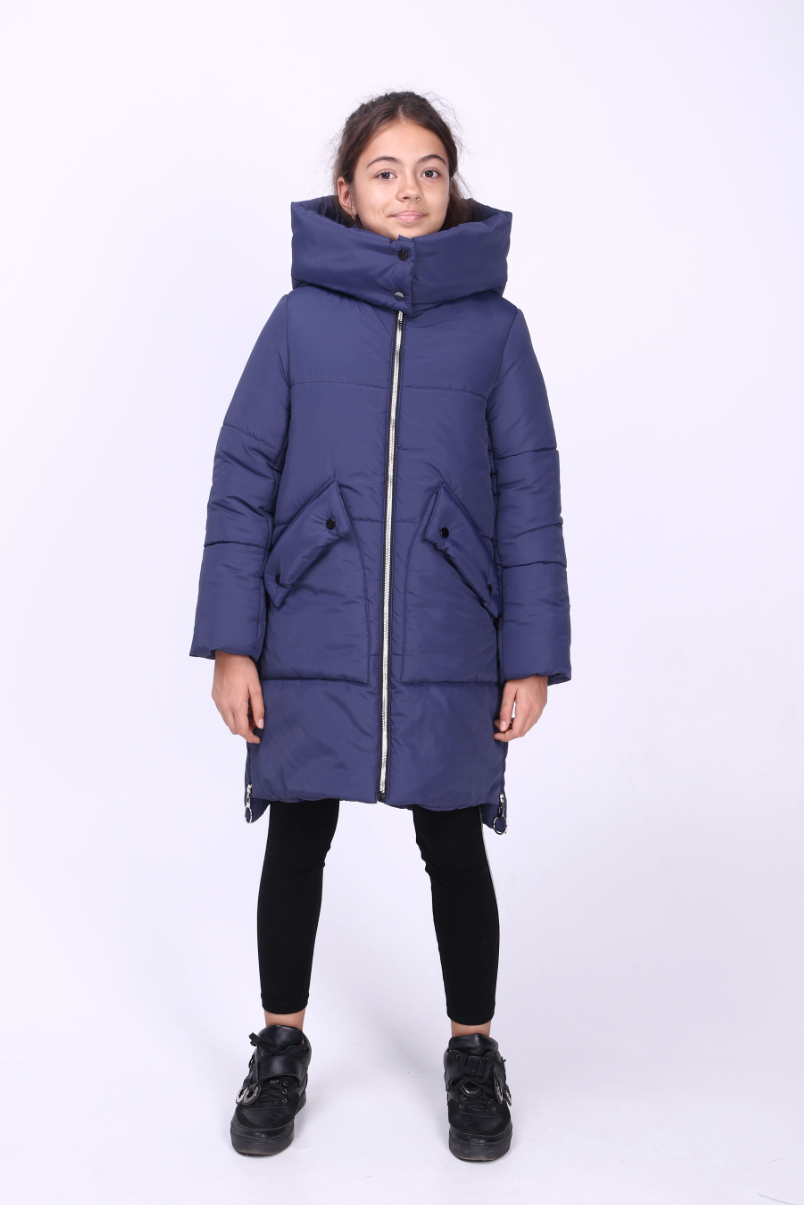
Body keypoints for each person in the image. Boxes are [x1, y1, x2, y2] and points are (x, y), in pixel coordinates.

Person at [190, 90, 571, 1162]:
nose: (410, 189)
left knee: (454, 839)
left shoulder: (497, 330)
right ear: (347, 190)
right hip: (310, 625)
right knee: (296, 834)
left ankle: (473, 1050)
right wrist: (233, 641)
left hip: (451, 635)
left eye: (430, 170)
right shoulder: (298, 321)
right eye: (386, 171)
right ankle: (280, 1043)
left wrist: (532, 656)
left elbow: (528, 495)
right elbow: (243, 478)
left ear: (453, 188)